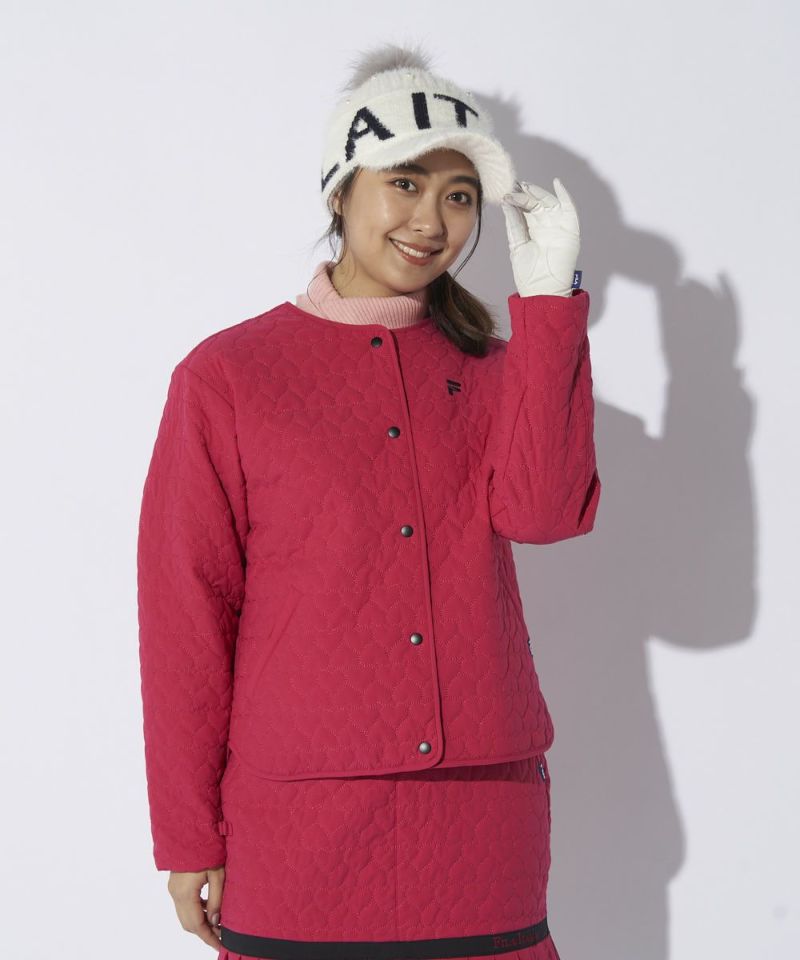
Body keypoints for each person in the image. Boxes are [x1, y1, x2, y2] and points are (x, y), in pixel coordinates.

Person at [137, 41, 600, 960]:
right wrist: (187, 835)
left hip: (480, 822)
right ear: (341, 191)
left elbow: (546, 515)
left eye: (459, 196)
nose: (432, 220)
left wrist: (550, 304)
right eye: (405, 184)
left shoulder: (499, 370)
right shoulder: (228, 377)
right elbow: (185, 613)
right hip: (299, 826)